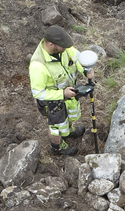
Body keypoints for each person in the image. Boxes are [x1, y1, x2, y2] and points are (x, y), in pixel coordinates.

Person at [29, 25, 93, 156]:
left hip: (68, 93)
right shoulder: (38, 66)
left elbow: (76, 57)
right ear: (52, 44)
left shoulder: (63, 49)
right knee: (56, 127)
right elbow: (38, 93)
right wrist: (62, 93)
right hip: (52, 101)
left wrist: (85, 70)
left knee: (68, 115)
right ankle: (57, 147)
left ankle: (68, 131)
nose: (66, 49)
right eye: (63, 47)